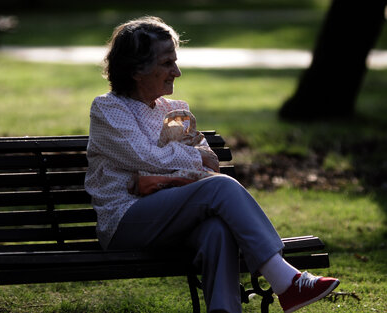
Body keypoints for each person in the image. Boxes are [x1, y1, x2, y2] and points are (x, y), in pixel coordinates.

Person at [85, 16, 340, 313]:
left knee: (216, 230)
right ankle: (286, 281)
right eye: (167, 63)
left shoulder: (175, 110)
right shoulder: (107, 109)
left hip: (171, 219)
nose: (176, 72)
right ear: (136, 70)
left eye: (175, 61)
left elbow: (210, 163)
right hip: (125, 222)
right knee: (220, 188)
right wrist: (187, 160)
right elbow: (151, 157)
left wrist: (177, 163)